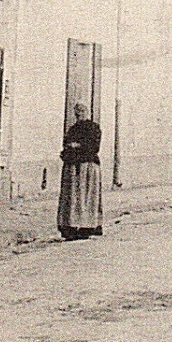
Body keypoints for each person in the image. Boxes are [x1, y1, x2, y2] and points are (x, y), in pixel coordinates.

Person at [58, 102, 104, 240]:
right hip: (73, 166)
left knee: (87, 196)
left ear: (87, 112)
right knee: (72, 197)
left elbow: (94, 146)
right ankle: (70, 226)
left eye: (82, 111)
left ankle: (87, 226)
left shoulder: (94, 128)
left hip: (87, 166)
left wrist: (78, 145)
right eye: (77, 112)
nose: (79, 114)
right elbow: (66, 143)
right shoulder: (72, 129)